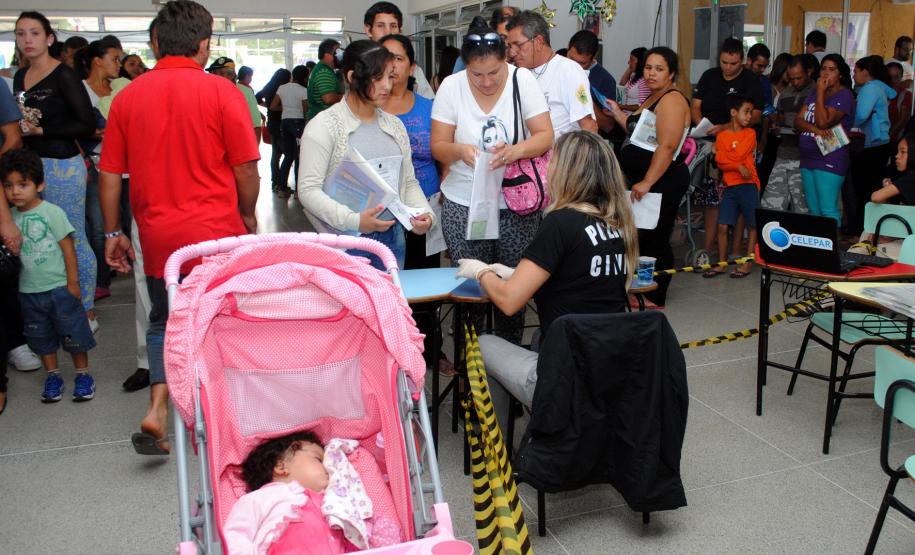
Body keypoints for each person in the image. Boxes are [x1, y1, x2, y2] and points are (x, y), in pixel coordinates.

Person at [99, 0, 260, 455]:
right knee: (219, 320)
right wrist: (247, 214)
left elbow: (110, 173)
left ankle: (158, 408)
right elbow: (247, 168)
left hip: (159, 236)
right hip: (215, 233)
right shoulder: (222, 92)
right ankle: (219, 416)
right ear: (204, 44)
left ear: (155, 42)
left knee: (163, 321)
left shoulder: (128, 96)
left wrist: (113, 232)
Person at [456, 130, 638, 429]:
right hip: (611, 369)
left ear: (565, 171)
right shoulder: (619, 225)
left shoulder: (559, 223)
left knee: (484, 344)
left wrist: (482, 271)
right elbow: (581, 279)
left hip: (564, 376)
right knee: (539, 337)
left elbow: (508, 301)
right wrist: (517, 274)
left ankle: (497, 454)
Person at [430, 19, 553, 344]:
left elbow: (545, 136)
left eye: (494, 73)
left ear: (505, 60)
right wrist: (460, 150)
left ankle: (508, 363)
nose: (486, 82)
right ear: (465, 66)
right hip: (464, 204)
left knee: (513, 291)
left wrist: (515, 151)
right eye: (477, 74)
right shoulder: (451, 87)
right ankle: (471, 373)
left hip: (516, 205)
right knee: (472, 291)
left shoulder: (521, 80)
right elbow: (438, 145)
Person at [298, 40, 433, 270]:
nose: (386, 86)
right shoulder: (324, 126)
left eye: (390, 77)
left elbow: (408, 181)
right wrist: (355, 220)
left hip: (392, 237)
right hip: (345, 242)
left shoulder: (394, 126)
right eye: (377, 78)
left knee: (390, 302)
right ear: (352, 77)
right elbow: (308, 190)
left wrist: (425, 214)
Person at [13, 11, 98, 330]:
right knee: (38, 237)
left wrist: (42, 132)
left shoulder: (63, 74)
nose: (27, 40)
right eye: (21, 34)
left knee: (71, 235)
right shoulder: (21, 77)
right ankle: (52, 306)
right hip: (31, 166)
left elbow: (87, 124)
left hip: (63, 165)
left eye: (34, 33)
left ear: (49, 38)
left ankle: (86, 308)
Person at [379, 34, 452, 375]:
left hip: (424, 208)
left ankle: (429, 350)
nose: (393, 65)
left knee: (424, 284)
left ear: (412, 66)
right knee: (385, 283)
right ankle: (389, 352)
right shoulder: (371, 108)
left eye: (399, 58)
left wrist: (446, 200)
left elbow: (444, 158)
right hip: (379, 213)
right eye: (386, 58)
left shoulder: (430, 108)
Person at [1, 149, 96, 403]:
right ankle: (52, 376)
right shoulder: (9, 218)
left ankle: (83, 374)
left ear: (40, 184)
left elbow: (68, 248)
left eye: (23, 184)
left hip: (59, 288)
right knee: (40, 337)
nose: (15, 192)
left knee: (73, 334)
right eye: (9, 186)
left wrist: (73, 283)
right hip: (29, 292)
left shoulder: (52, 212)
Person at [606, 47, 690, 309]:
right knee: (640, 235)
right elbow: (640, 136)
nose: (651, 73)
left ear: (672, 73)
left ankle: (655, 294)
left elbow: (666, 147)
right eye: (648, 68)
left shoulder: (672, 100)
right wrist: (618, 114)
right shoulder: (655, 97)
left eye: (659, 69)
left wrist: (648, 182)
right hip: (646, 178)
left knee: (655, 236)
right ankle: (642, 286)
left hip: (662, 179)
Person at [691, 37, 764, 260]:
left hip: (739, 144)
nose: (728, 68)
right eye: (724, 62)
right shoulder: (709, 76)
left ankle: (735, 249)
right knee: (712, 196)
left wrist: (726, 128)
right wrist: (703, 126)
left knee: (739, 194)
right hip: (709, 143)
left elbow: (757, 115)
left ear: (742, 61)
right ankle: (709, 247)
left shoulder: (750, 81)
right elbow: (696, 106)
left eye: (733, 64)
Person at [78, 39, 121, 302]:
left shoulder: (121, 89)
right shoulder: (80, 91)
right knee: (98, 223)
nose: (118, 64)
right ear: (97, 60)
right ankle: (100, 279)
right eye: (114, 58)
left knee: (130, 219)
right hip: (95, 164)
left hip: (125, 165)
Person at [506, 11, 596, 137]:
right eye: (510, 46)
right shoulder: (520, 74)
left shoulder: (569, 71)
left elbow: (589, 126)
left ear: (538, 41)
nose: (512, 53)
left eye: (518, 45)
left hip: (560, 154)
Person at [704, 95, 759, 279]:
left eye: (751, 112)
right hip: (730, 186)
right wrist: (737, 165)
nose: (749, 116)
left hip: (749, 185)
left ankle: (748, 262)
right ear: (733, 112)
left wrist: (729, 158)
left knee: (753, 225)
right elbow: (719, 161)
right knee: (722, 225)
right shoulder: (722, 136)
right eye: (746, 112)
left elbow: (738, 153)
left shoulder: (750, 134)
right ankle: (721, 263)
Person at [796, 53, 855, 223]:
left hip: (830, 155)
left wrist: (821, 92)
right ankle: (817, 249)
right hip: (808, 157)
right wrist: (814, 130)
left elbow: (823, 122)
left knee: (827, 208)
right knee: (813, 209)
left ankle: (830, 249)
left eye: (832, 70)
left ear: (841, 74)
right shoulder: (814, 93)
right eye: (823, 69)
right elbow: (798, 121)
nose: (826, 73)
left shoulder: (844, 95)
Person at [761, 55, 815, 214]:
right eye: (791, 79)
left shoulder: (817, 92)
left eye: (798, 78)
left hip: (807, 157)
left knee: (802, 206)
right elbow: (780, 117)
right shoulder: (785, 93)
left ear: (809, 72)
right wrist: (776, 125)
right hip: (784, 152)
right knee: (771, 203)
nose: (795, 82)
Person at [849, 55, 896, 235]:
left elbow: (860, 115)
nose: (854, 75)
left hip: (871, 145)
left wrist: (845, 121)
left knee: (865, 190)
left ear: (865, 72)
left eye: (856, 71)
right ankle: (870, 231)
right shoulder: (881, 88)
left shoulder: (869, 89)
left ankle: (864, 232)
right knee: (871, 187)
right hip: (880, 144)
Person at [364, 2, 434, 99]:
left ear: (400, 30)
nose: (387, 32)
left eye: (393, 26)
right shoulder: (360, 66)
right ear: (368, 30)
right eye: (380, 26)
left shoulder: (411, 69)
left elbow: (428, 104)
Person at [566, 30, 616, 134]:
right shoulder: (559, 65)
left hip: (584, 141)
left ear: (594, 57)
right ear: (568, 48)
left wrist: (584, 96)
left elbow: (608, 126)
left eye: (581, 63)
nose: (574, 66)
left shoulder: (606, 80)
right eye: (571, 59)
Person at [272, 65, 309, 199]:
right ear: (305, 77)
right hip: (298, 123)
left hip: (284, 123)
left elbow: (273, 106)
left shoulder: (282, 88)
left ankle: (282, 188)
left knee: (288, 156)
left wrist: (286, 109)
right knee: (299, 156)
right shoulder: (304, 90)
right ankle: (299, 191)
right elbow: (305, 111)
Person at [256, 68, 291, 193]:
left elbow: (257, 97)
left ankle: (275, 182)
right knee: (288, 153)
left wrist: (268, 107)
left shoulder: (269, 86)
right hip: (280, 123)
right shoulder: (282, 89)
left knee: (276, 154)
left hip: (271, 122)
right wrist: (279, 108)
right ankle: (281, 183)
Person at [305, 38, 342, 122]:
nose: (339, 55)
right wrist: (346, 97)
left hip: (319, 119)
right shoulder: (324, 71)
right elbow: (328, 98)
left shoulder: (321, 69)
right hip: (321, 121)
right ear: (327, 55)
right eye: (337, 52)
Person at [619, 47, 650, 114]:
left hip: (635, 118)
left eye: (632, 59)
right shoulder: (634, 76)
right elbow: (622, 84)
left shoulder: (644, 80)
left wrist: (622, 106)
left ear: (640, 62)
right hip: (627, 116)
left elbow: (642, 105)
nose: (628, 62)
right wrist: (631, 67)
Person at [236, 65, 263, 143]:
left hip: (247, 124)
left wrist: (260, 114)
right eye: (250, 76)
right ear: (247, 76)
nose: (251, 79)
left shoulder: (237, 87)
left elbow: (250, 105)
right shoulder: (246, 89)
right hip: (252, 125)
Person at [887, 62, 912, 144]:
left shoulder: (906, 95)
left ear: (901, 77)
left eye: (896, 76)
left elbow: (903, 120)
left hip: (895, 141)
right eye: (890, 77)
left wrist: (888, 135)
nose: (893, 80)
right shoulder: (881, 93)